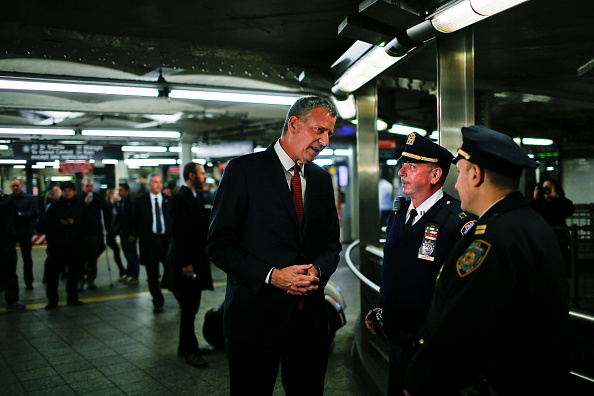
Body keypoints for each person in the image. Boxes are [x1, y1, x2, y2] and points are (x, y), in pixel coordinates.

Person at [403, 125, 569, 395]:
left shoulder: (492, 239)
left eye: (460, 174)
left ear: (476, 175)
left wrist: (417, 381)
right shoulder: (531, 223)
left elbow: (465, 328)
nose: (456, 185)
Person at [206, 96, 342, 396]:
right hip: (255, 320)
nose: (325, 141)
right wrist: (273, 276)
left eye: (329, 133)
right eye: (319, 130)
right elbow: (219, 245)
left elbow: (332, 242)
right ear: (294, 124)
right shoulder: (243, 171)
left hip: (308, 321)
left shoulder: (320, 179)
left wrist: (317, 270)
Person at [364, 132, 477, 396]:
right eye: (403, 164)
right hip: (397, 341)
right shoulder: (401, 213)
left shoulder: (458, 222)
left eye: (412, 166)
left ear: (435, 176)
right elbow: (397, 268)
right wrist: (383, 308)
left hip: (432, 348)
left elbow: (460, 295)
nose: (401, 171)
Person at [167, 163, 214, 368]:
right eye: (202, 174)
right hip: (186, 264)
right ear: (192, 175)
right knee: (189, 307)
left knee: (190, 307)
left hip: (193, 261)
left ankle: (184, 346)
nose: (205, 177)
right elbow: (178, 233)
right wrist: (186, 264)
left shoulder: (194, 196)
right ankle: (190, 351)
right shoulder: (180, 198)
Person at [43, 181, 89, 309]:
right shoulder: (54, 207)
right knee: (54, 274)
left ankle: (72, 297)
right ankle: (52, 300)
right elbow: (45, 224)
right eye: (64, 190)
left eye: (69, 190)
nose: (67, 192)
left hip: (75, 245)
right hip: (57, 246)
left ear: (74, 192)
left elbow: (87, 224)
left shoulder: (81, 206)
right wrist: (59, 223)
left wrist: (75, 222)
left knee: (73, 273)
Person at [130, 173, 170, 313]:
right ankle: (158, 301)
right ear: (149, 184)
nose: (158, 184)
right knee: (152, 275)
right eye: (154, 182)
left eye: (160, 182)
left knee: (171, 269)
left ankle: (178, 295)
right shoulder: (141, 201)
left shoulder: (167, 200)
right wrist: (134, 235)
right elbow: (134, 220)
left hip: (165, 240)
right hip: (149, 241)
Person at [9, 178, 38, 290]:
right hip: (12, 232)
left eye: (17, 186)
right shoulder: (9, 199)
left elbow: (32, 212)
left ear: (21, 186)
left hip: (25, 232)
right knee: (10, 259)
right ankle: (10, 282)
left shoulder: (30, 198)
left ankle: (29, 281)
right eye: (13, 186)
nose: (15, 188)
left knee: (27, 258)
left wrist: (19, 214)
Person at [0, 192, 26, 310]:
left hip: (7, 241)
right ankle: (12, 301)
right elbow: (17, 222)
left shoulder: (9, 203)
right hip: (7, 242)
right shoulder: (8, 203)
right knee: (10, 273)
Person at [80, 179, 107, 290]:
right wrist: (84, 204)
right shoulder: (79, 199)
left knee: (93, 257)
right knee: (81, 258)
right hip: (82, 233)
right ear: (83, 187)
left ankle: (91, 279)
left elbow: (105, 213)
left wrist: (105, 228)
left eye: (91, 186)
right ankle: (81, 279)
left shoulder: (98, 199)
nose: (89, 188)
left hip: (95, 232)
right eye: (87, 186)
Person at [116, 183, 140, 284]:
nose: (119, 192)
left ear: (126, 191)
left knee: (132, 254)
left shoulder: (132, 203)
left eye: (121, 190)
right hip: (123, 233)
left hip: (130, 233)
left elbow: (134, 219)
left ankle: (134, 274)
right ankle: (129, 272)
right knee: (126, 254)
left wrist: (133, 234)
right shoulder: (121, 202)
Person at [104, 188, 126, 278]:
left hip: (112, 232)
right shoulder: (106, 206)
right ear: (111, 195)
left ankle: (122, 269)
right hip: (107, 232)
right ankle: (122, 269)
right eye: (117, 194)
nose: (118, 195)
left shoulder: (117, 205)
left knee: (116, 249)